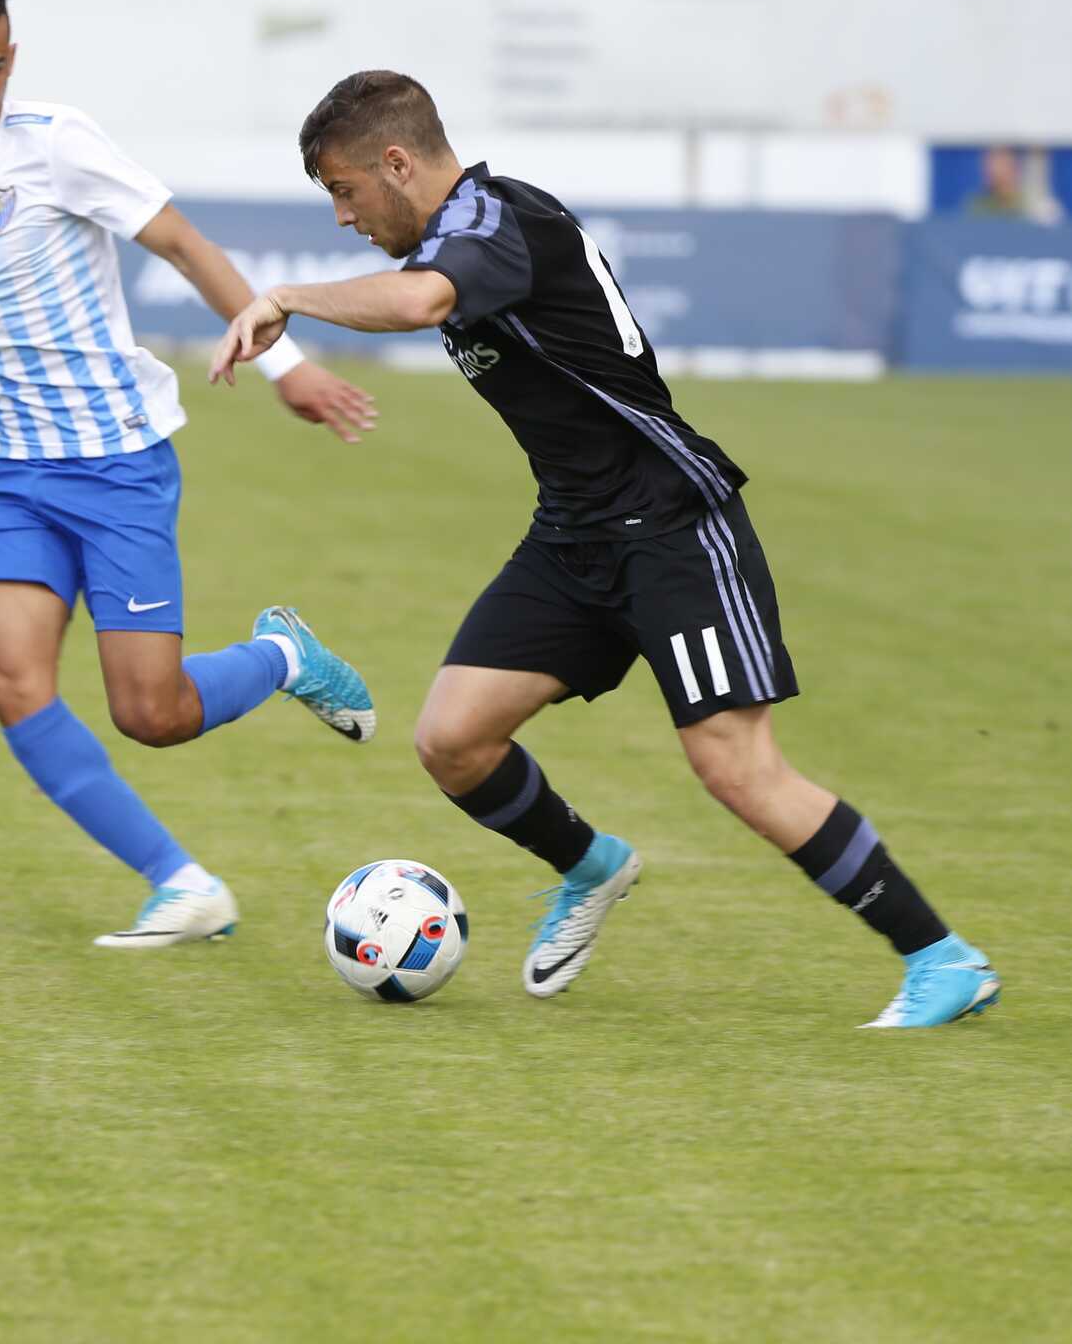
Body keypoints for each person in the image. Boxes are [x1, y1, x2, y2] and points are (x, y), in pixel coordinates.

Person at [210, 70, 999, 1028]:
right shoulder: (467, 231)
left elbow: (421, 303)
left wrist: (288, 297)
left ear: (398, 163)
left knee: (737, 768)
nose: (344, 217)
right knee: (453, 740)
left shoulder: (496, 223)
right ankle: (591, 867)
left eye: (345, 191)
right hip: (574, 532)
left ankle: (942, 958)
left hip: (672, 527)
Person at [0, 0, 380, 949]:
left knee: (153, 713)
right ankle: (183, 884)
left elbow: (183, 245)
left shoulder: (58, 144)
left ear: (12, 58)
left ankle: (283, 656)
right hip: (10, 476)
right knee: (11, 681)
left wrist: (285, 366)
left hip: (117, 464)